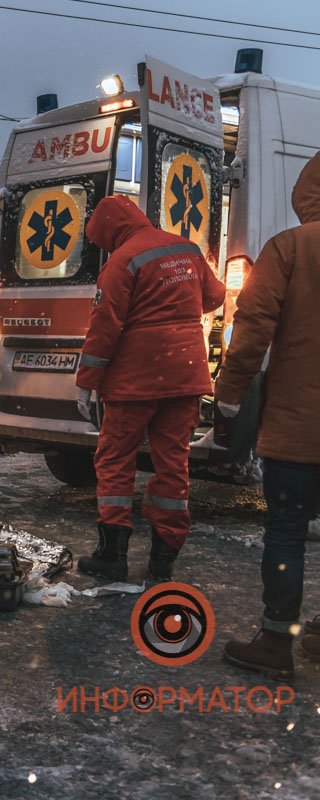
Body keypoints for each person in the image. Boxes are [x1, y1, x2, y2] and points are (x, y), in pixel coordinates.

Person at [74, 195, 225, 583]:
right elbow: (216, 297)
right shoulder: (186, 248)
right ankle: (163, 557)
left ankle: (113, 555)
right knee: (173, 463)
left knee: (115, 461)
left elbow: (105, 327)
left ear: (110, 230)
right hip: (185, 376)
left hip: (135, 382)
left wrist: (87, 383)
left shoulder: (121, 262)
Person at [218, 151, 320, 680]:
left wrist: (228, 398)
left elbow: (251, 329)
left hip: (299, 429)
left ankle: (277, 641)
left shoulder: (290, 248)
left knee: (286, 529)